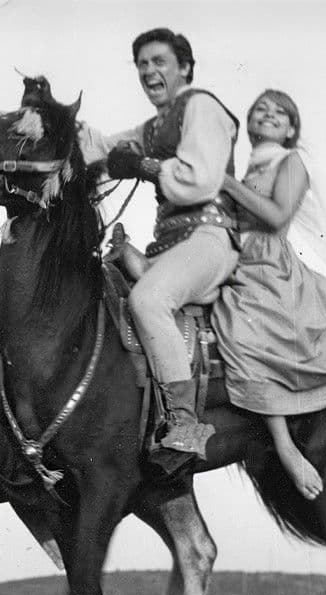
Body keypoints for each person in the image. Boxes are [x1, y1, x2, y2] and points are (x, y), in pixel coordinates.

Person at [78, 27, 240, 474]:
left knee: (148, 300)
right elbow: (101, 147)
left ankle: (185, 422)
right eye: (142, 64)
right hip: (169, 247)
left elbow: (200, 179)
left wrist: (143, 166)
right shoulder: (151, 127)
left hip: (208, 237)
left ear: (184, 67)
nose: (149, 71)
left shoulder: (201, 106)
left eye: (159, 61)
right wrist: (53, 123)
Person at [211, 90, 326, 499]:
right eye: (260, 109)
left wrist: (225, 183)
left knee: (245, 331)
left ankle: (286, 447)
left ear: (291, 128)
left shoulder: (291, 161)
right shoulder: (249, 166)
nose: (268, 114)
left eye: (279, 112)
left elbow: (278, 217)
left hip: (267, 264)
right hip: (236, 257)